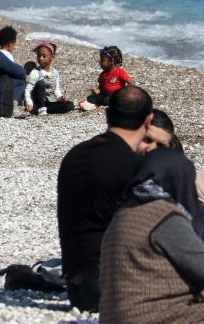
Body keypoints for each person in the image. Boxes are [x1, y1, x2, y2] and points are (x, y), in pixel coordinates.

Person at [99, 148, 204, 322]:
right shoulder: (165, 218)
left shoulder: (123, 213)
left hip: (114, 315)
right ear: (182, 180)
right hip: (152, 315)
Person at [57, 86, 154, 313]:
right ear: (148, 121)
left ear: (107, 115)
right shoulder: (136, 167)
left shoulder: (75, 155)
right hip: (113, 289)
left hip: (76, 282)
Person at [25, 42, 74, 115]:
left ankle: (46, 110)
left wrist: (60, 98)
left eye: (44, 56)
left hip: (50, 103)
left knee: (70, 105)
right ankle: (41, 109)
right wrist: (29, 103)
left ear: (52, 57)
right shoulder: (35, 72)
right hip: (37, 103)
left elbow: (56, 89)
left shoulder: (55, 72)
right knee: (40, 83)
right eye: (38, 56)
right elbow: (28, 89)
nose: (40, 58)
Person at [79, 46, 131, 111]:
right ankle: (92, 105)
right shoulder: (103, 74)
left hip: (115, 97)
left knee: (108, 100)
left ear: (111, 62)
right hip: (105, 95)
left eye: (102, 60)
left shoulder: (119, 72)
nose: (100, 62)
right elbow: (101, 87)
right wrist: (97, 90)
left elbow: (130, 82)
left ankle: (95, 105)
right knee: (91, 97)